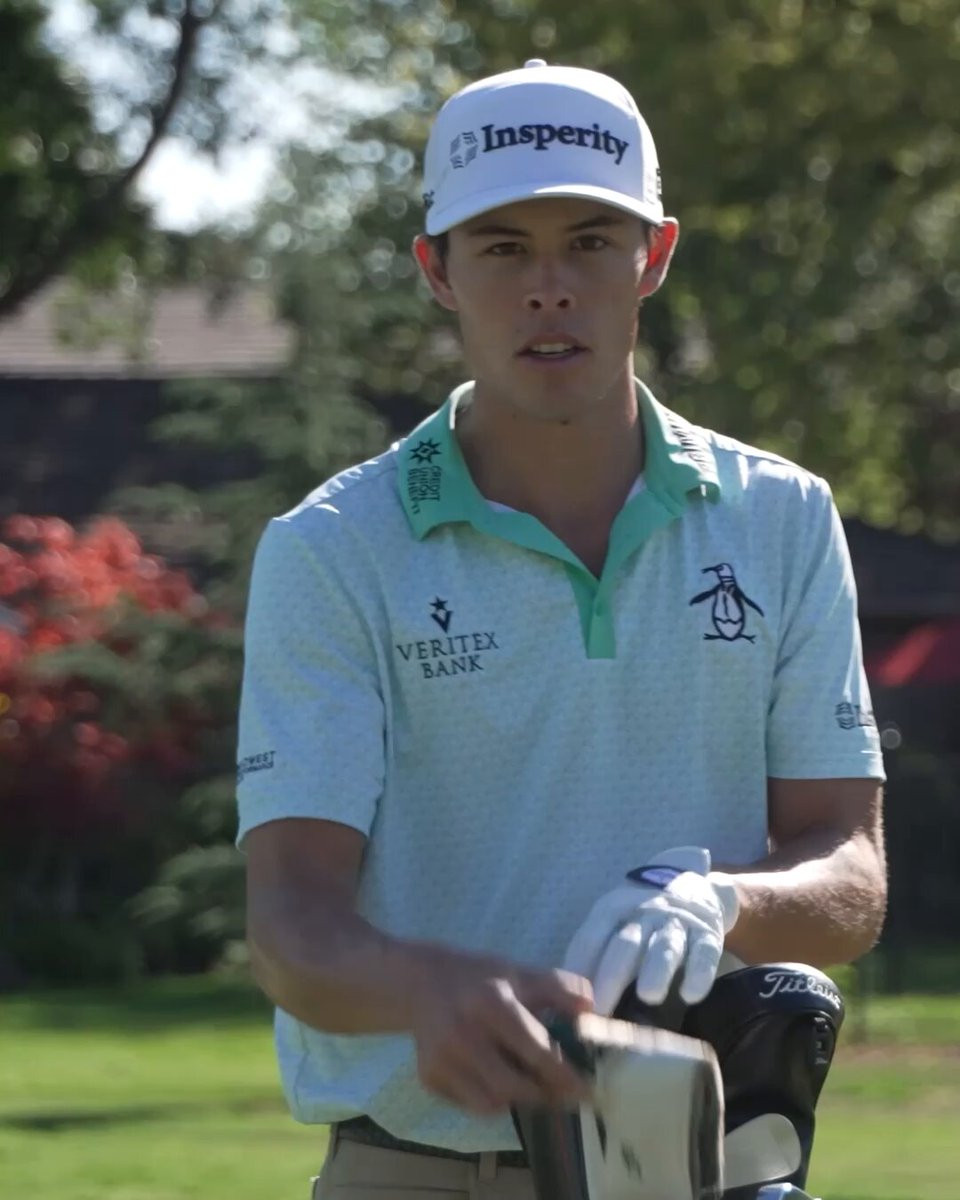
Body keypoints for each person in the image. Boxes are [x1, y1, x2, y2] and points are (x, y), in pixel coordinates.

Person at [236, 59, 888, 1200]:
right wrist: (425, 990)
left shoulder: (782, 517)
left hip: (711, 1172)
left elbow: (851, 868)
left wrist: (726, 900)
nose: (549, 288)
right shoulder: (334, 548)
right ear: (437, 271)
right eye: (503, 248)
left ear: (655, 257)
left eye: (590, 242)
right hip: (424, 1175)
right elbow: (292, 923)